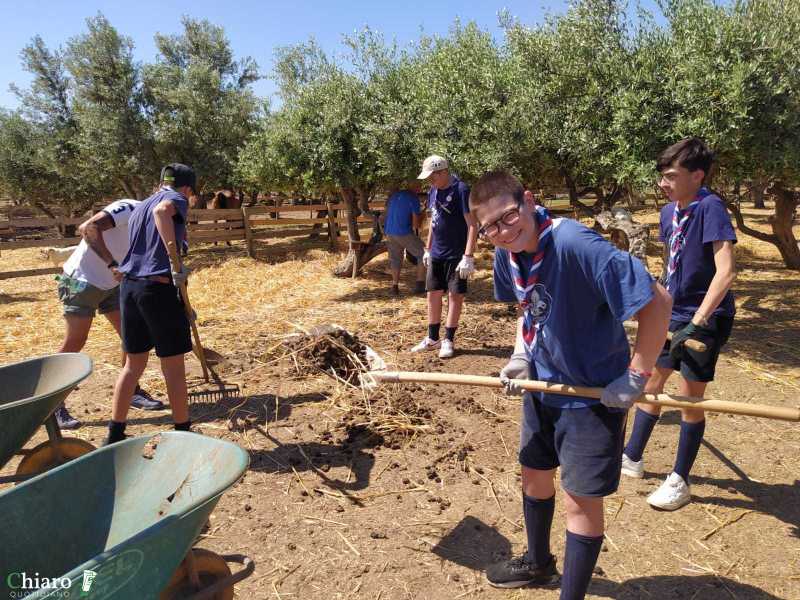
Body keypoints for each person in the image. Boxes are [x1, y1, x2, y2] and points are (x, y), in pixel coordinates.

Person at [472, 171, 671, 598]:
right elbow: (529, 307)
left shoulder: (576, 245)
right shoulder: (505, 253)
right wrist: (521, 357)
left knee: (579, 502)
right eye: (489, 227)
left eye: (508, 217)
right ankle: (538, 564)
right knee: (534, 475)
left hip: (593, 396)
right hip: (543, 388)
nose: (502, 231)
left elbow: (659, 302)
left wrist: (636, 375)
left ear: (528, 199)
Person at [621, 138, 737, 510]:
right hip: (673, 312)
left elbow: (726, 272)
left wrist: (697, 323)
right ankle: (632, 456)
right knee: (653, 380)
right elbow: (674, 264)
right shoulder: (670, 212)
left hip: (705, 316)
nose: (663, 183)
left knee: (689, 397)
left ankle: (679, 480)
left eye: (672, 176)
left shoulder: (711, 208)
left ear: (697, 176)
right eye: (663, 176)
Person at [104, 164, 195, 445]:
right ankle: (183, 433)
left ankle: (114, 434)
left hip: (130, 287)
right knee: (173, 366)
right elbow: (162, 212)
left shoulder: (141, 205)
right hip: (157, 288)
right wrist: (174, 262)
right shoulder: (176, 199)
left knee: (133, 365)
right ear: (188, 189)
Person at [54, 199, 165, 429]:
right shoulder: (129, 207)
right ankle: (52, 405)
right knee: (76, 341)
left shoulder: (157, 223)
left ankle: (131, 391)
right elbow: (88, 228)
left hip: (111, 285)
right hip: (81, 280)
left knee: (132, 335)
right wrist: (112, 264)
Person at [409, 155, 478, 358]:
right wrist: (428, 249)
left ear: (443, 172)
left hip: (457, 254)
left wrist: (468, 256)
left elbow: (473, 224)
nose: (430, 181)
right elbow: (433, 220)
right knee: (433, 294)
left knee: (455, 296)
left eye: (433, 176)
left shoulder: (461, 190)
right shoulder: (433, 191)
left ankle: (448, 339)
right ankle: (432, 338)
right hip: (437, 252)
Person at [382, 181, 426, 296]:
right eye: (419, 185)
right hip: (403, 232)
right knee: (424, 253)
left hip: (389, 232)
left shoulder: (395, 195)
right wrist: (423, 212)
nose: (420, 187)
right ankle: (420, 284)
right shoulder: (413, 198)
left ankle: (395, 286)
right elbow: (416, 225)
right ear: (416, 187)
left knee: (395, 259)